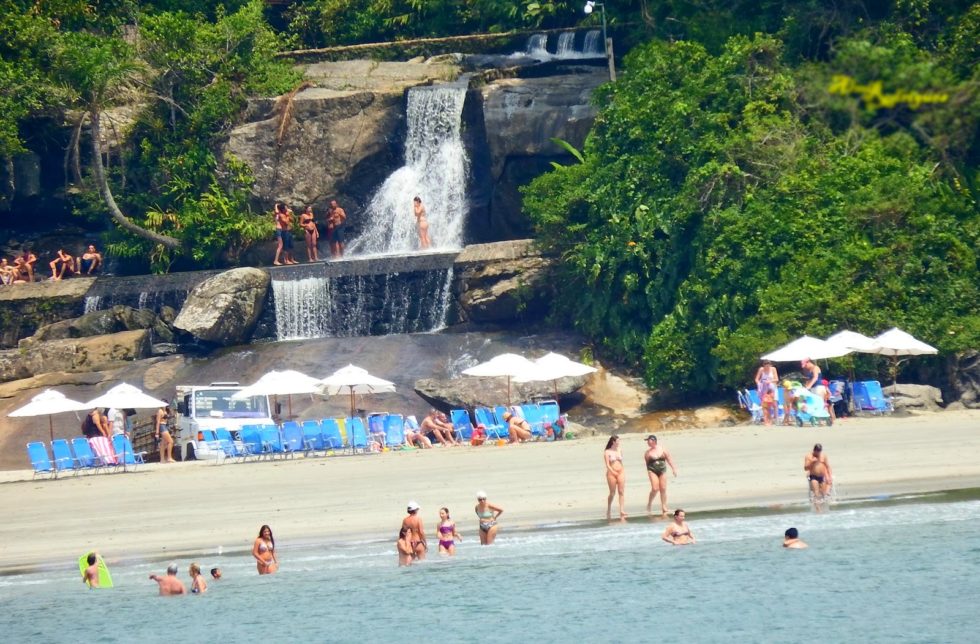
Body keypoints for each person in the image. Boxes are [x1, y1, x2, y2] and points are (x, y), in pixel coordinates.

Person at [643, 435, 678, 517]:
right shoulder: (647, 453)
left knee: (663, 488)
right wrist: (650, 472)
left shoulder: (663, 450)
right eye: (647, 441)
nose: (648, 442)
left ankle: (664, 506)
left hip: (662, 470)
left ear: (654, 441)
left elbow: (669, 459)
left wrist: (673, 469)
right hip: (652, 470)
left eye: (649, 440)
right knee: (655, 488)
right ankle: (649, 504)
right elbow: (647, 464)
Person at [604, 435, 627, 521]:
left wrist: (622, 471)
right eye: (617, 441)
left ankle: (622, 510)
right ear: (613, 442)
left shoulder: (620, 450)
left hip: (620, 471)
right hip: (611, 472)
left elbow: (621, 462)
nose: (619, 443)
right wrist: (613, 471)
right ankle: (609, 509)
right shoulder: (607, 452)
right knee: (612, 493)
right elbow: (607, 464)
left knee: (621, 492)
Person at [804, 443, 833, 510]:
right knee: (816, 493)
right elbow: (805, 468)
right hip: (813, 476)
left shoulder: (823, 456)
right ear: (814, 450)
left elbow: (828, 466)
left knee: (823, 494)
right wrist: (812, 462)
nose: (818, 453)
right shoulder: (808, 456)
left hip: (822, 477)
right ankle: (818, 509)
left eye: (819, 451)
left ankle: (821, 508)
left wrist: (829, 476)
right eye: (817, 451)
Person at [755, 359, 779, 424]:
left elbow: (776, 379)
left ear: (770, 365)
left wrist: (770, 381)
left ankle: (776, 419)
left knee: (774, 403)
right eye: (766, 366)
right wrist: (759, 384)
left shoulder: (773, 369)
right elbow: (756, 379)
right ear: (764, 366)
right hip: (764, 388)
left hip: (773, 388)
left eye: (768, 366)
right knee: (767, 404)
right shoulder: (761, 369)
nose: (767, 368)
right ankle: (768, 419)